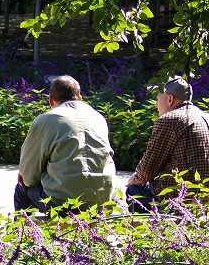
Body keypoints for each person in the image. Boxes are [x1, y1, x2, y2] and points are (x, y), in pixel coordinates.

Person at [15, 74, 117, 213]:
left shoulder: (46, 120)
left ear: (50, 100)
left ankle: (22, 233)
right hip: (104, 201)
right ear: (80, 98)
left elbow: (28, 176)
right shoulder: (98, 117)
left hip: (64, 204)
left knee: (21, 190)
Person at [124, 77, 209, 213]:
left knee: (134, 191)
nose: (156, 105)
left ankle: (153, 232)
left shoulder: (170, 119)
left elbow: (148, 168)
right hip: (204, 198)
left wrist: (134, 179)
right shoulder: (205, 116)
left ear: (170, 99)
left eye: (158, 98)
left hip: (177, 198)